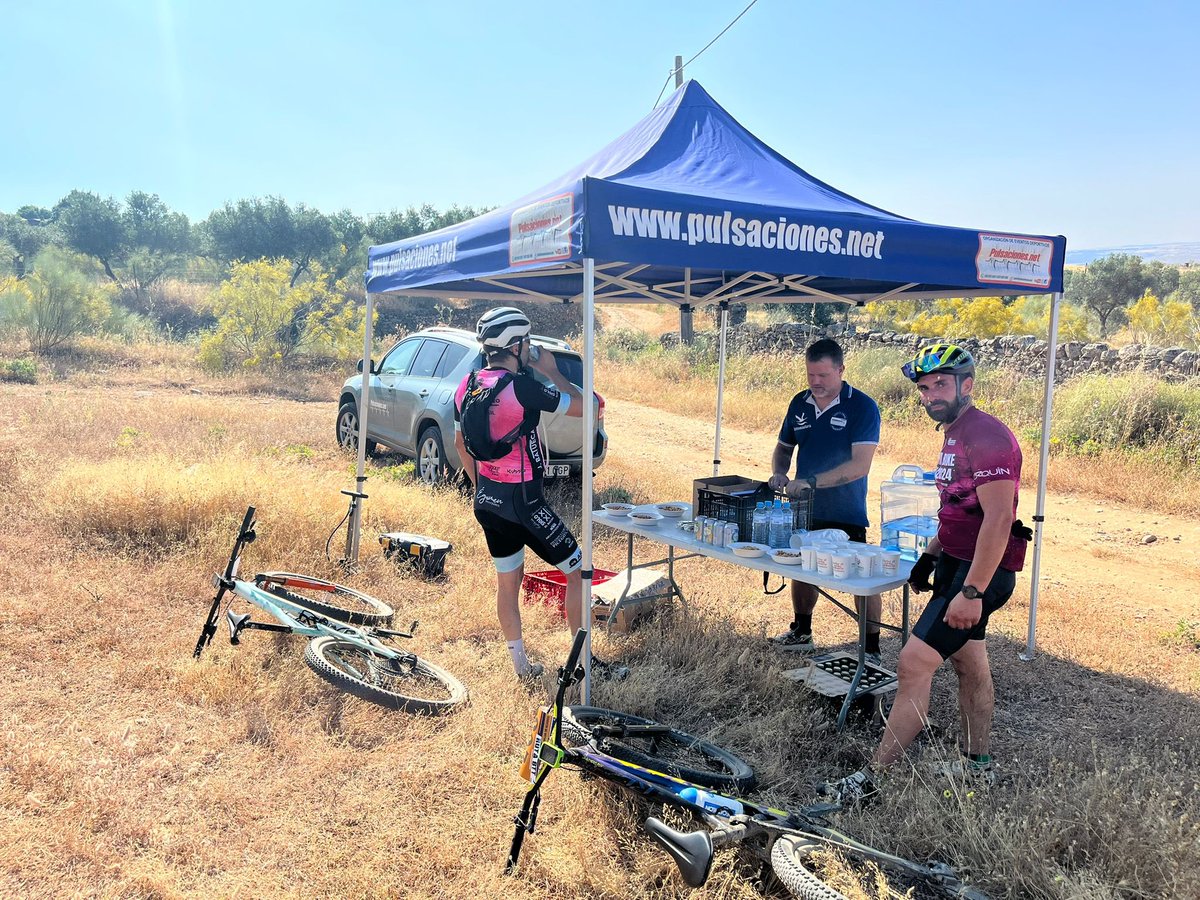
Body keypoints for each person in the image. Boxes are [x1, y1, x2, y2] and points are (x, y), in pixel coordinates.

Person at [820, 344, 1027, 804]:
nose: (931, 394)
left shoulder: (987, 436)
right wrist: (931, 555)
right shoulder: (955, 433)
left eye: (941, 384)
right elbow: (957, 508)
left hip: (981, 573)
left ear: (967, 385)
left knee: (913, 663)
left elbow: (997, 520)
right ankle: (978, 766)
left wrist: (971, 591)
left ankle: (874, 781)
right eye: (924, 387)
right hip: (956, 562)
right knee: (969, 662)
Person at [454, 307, 585, 681]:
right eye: (527, 343)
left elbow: (460, 442)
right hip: (523, 502)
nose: (530, 349)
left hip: (488, 501)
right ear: (517, 346)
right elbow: (587, 409)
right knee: (578, 571)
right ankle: (581, 666)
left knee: (507, 583)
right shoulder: (523, 387)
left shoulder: (468, 384)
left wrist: (481, 487)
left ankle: (520, 667)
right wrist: (553, 371)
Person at [767, 338, 884, 664]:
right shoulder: (799, 403)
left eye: (824, 376)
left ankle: (871, 648)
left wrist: (813, 482)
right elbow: (784, 447)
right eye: (811, 375)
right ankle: (801, 632)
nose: (816, 382)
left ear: (841, 370)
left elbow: (860, 466)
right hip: (803, 508)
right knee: (803, 569)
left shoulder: (862, 406)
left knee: (863, 579)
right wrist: (779, 472)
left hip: (846, 510)